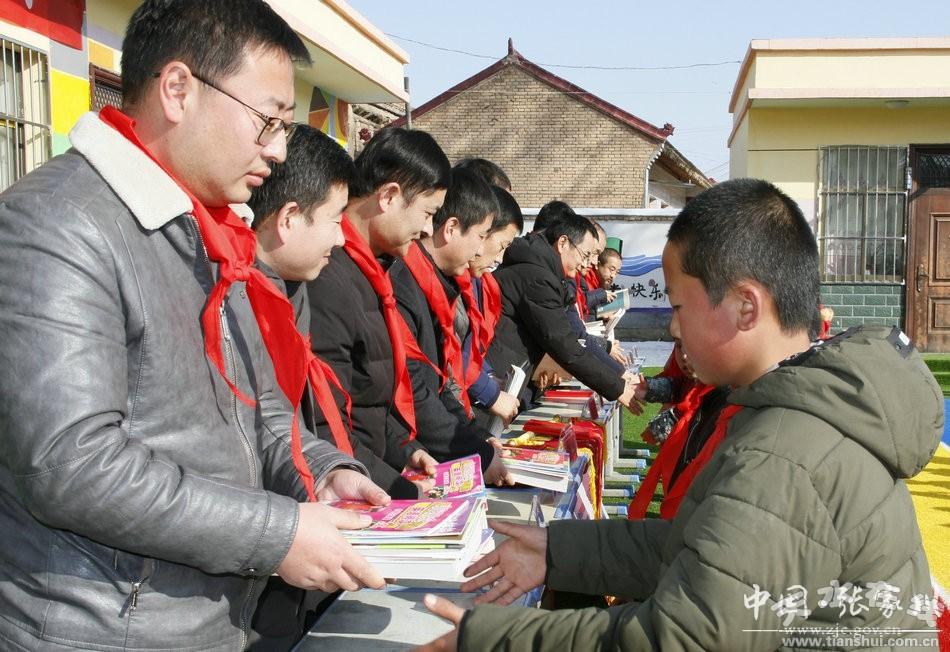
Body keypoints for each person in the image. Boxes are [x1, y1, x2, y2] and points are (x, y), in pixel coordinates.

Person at [0, 2, 392, 649]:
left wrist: (321, 473)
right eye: (268, 121)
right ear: (178, 89)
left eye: (287, 127)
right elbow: (71, 464)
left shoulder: (205, 232)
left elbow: (261, 410)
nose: (277, 150)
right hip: (104, 629)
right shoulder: (56, 223)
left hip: (204, 621)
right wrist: (277, 534)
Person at [420, 178, 942, 650]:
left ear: (745, 306)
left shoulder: (786, 454)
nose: (672, 330)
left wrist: (488, 638)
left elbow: (686, 637)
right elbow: (702, 549)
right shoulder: (793, 414)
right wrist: (559, 550)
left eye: (678, 306)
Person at [306, 127, 451, 499]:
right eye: (427, 213)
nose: (426, 230)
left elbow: (370, 398)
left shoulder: (376, 272)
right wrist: (397, 489)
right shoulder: (326, 276)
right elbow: (328, 421)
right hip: (346, 487)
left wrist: (404, 449)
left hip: (370, 473)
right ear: (389, 196)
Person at [389, 169, 511, 483]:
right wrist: (475, 450)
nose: (481, 251)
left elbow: (440, 383)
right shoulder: (404, 284)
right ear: (452, 227)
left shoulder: (436, 285)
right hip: (400, 454)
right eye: (482, 237)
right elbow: (415, 387)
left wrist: (476, 440)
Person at [488, 208, 638, 407]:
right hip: (498, 377)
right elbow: (565, 343)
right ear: (563, 243)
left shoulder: (546, 270)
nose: (587, 264)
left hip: (512, 374)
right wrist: (617, 387)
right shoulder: (538, 277)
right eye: (585, 255)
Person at [462, 185, 524, 425]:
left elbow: (473, 345)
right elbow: (456, 357)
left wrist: (488, 377)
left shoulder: (477, 279)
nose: (499, 258)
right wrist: (489, 391)